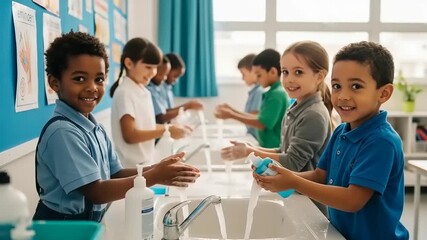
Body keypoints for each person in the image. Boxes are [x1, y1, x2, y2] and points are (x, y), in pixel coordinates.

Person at [33, 31, 199, 222]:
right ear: (55, 83)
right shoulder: (63, 132)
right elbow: (96, 192)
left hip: (88, 223)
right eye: (79, 79)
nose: (92, 87)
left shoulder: (95, 128)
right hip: (62, 228)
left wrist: (158, 169)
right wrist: (153, 176)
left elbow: (115, 173)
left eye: (99, 79)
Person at [254, 41, 409, 240]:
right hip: (340, 233)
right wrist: (282, 176)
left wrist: (293, 182)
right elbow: (321, 174)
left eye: (356, 86)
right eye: (337, 86)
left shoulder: (381, 141)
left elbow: (353, 200)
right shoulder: (342, 131)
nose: (343, 96)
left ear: (384, 93)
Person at [222, 41, 333, 171]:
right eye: (285, 72)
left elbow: (292, 163)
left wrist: (249, 152)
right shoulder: (297, 108)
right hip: (293, 189)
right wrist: (251, 148)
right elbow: (284, 151)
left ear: (319, 76)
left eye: (298, 72)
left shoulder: (313, 115)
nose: (289, 79)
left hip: (304, 191)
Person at [110, 38, 191, 168]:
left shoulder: (143, 91)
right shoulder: (124, 92)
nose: (153, 72)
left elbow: (147, 126)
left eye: (155, 68)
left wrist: (174, 129)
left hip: (145, 163)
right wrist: (167, 129)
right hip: (130, 168)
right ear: (129, 63)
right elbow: (130, 135)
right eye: (148, 67)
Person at [215, 49, 289, 148]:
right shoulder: (271, 93)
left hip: (272, 148)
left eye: (259, 75)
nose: (257, 79)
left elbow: (262, 123)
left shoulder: (277, 95)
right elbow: (259, 118)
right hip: (266, 146)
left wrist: (232, 115)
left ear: (273, 72)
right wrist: (231, 111)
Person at [215, 53, 264, 140]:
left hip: (256, 138)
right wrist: (230, 109)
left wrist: (231, 113)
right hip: (252, 136)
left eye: (243, 74)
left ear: (254, 71)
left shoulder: (259, 92)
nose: (242, 78)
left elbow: (255, 118)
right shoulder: (254, 92)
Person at [158, 52, 203, 124]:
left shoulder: (168, 88)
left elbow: (167, 111)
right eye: (175, 76)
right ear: (166, 70)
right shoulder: (156, 88)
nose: (176, 80)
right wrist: (187, 106)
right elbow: (161, 116)